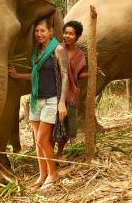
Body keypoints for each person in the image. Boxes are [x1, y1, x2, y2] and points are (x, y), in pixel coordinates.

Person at [8, 18, 68, 190]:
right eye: (37, 31)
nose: (39, 34)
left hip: (51, 100)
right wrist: (18, 75)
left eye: (43, 31)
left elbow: (65, 76)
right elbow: (36, 75)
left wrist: (62, 102)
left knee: (42, 139)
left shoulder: (57, 49)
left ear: (50, 32)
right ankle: (42, 175)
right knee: (37, 140)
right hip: (36, 100)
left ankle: (53, 173)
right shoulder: (35, 52)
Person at [54, 20, 87, 161]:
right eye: (65, 33)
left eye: (71, 34)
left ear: (77, 37)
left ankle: (60, 152)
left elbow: (77, 76)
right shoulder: (56, 49)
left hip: (71, 95)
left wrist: (92, 74)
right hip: (55, 92)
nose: (67, 36)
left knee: (68, 127)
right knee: (52, 125)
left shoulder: (80, 54)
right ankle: (49, 153)